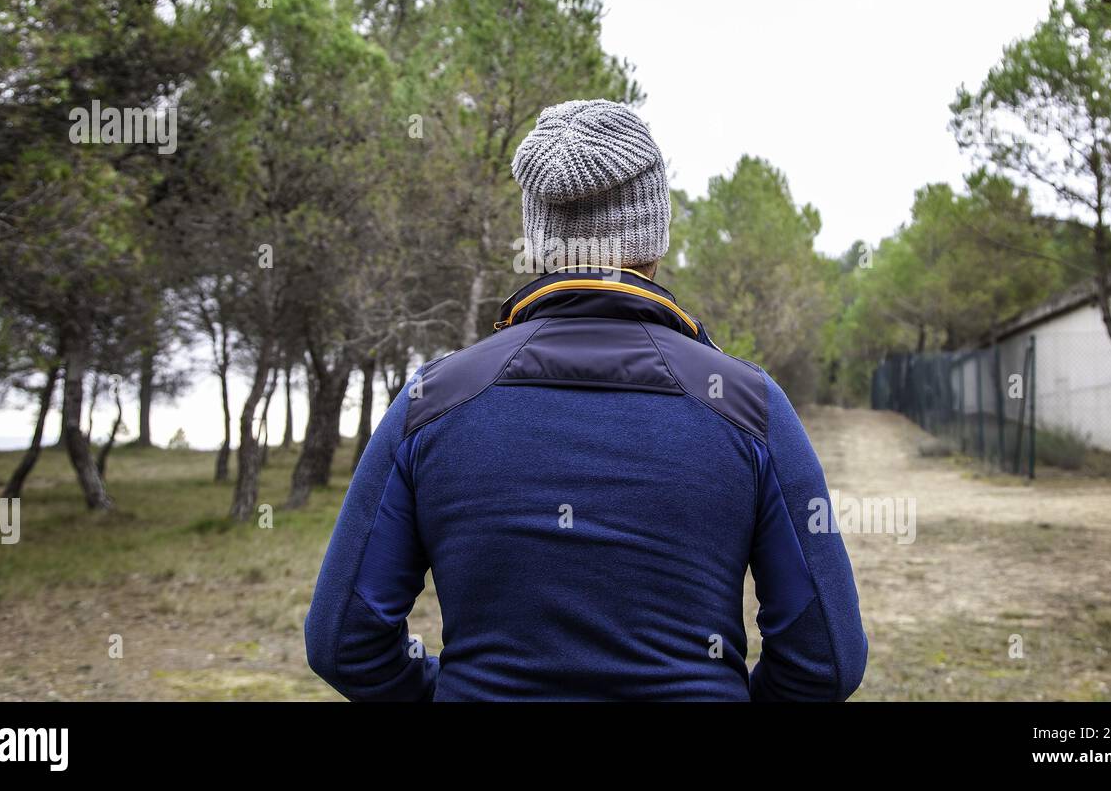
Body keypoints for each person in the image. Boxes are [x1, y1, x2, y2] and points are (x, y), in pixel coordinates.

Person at [305, 99, 867, 701]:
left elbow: (345, 640)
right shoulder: (749, 405)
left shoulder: (430, 403)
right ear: (653, 236)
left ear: (540, 239)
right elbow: (826, 658)